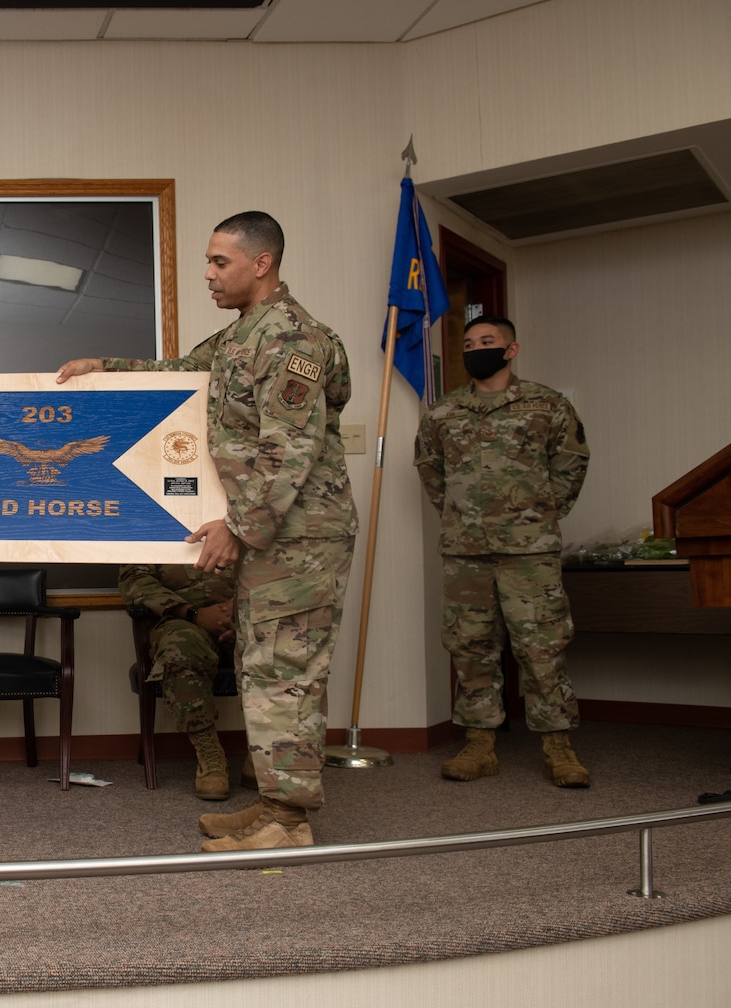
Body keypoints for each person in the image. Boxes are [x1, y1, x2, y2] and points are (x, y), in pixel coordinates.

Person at [57, 210, 357, 852]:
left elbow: (291, 447)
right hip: (274, 535)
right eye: (207, 261)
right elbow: (179, 374)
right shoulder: (240, 336)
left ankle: (289, 821)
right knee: (264, 668)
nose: (208, 274)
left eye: (220, 261)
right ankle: (277, 803)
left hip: (297, 536)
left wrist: (240, 528)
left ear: (262, 263)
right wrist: (101, 368)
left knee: (287, 671)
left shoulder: (291, 340)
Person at [414, 315, 591, 787]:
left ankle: (558, 748)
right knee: (470, 647)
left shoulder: (545, 404)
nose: (476, 349)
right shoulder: (444, 413)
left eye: (487, 342)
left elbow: (571, 463)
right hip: (465, 552)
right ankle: (479, 746)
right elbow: (431, 471)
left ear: (512, 350)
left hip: (529, 552)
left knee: (542, 647)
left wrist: (540, 514)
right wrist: (460, 516)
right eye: (469, 343)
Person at [119, 562, 237, 799]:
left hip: (251, 617)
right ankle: (210, 757)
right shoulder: (153, 527)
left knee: (289, 642)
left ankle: (266, 754)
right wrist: (193, 613)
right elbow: (134, 580)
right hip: (183, 622)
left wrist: (240, 614)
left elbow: (279, 569)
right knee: (180, 648)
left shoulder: (247, 525)